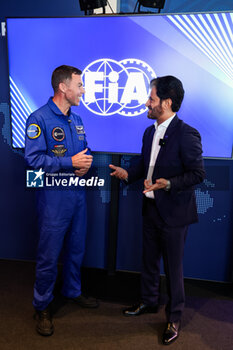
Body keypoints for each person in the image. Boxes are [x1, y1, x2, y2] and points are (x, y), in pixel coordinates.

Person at [109, 76, 205, 345]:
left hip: (174, 214)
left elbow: (198, 174)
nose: (146, 103)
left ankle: (174, 318)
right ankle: (149, 302)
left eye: (151, 99)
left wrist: (169, 184)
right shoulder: (150, 132)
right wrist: (128, 172)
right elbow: (145, 164)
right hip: (150, 209)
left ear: (167, 102)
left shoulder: (187, 134)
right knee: (149, 261)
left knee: (173, 269)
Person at [25, 65, 98, 337]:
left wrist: (84, 164)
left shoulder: (76, 119)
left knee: (77, 248)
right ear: (63, 88)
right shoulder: (39, 119)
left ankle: (72, 290)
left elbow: (84, 149)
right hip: (53, 199)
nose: (83, 90)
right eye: (79, 85)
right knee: (49, 255)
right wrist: (69, 162)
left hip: (78, 195)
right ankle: (41, 306)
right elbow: (32, 161)